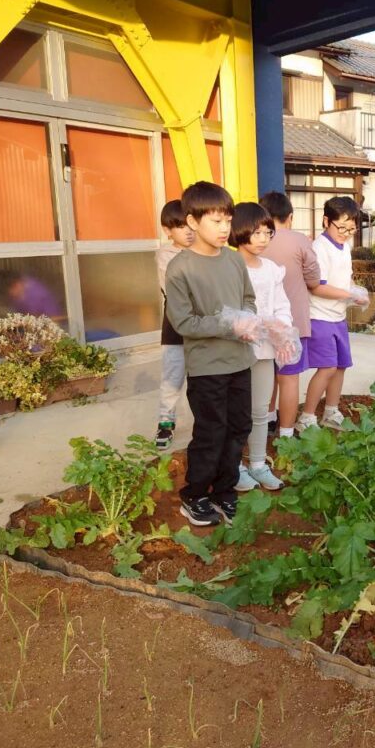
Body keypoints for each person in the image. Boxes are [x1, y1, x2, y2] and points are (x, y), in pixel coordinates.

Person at [165, 181, 257, 528]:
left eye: (228, 221)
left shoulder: (233, 260)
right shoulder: (180, 268)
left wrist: (248, 319)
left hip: (240, 360)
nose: (224, 228)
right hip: (207, 367)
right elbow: (184, 322)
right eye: (216, 221)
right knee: (211, 431)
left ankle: (224, 491)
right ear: (192, 221)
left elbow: (248, 299)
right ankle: (194, 495)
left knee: (239, 427)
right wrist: (229, 324)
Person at [230, 202, 292, 491]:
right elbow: (227, 312)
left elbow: (282, 305)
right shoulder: (228, 266)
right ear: (239, 231)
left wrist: (283, 330)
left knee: (259, 411)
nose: (264, 239)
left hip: (264, 351)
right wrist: (255, 326)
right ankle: (234, 467)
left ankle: (257, 463)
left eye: (268, 232)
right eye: (257, 233)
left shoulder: (271, 269)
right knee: (235, 412)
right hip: (234, 351)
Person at [296, 196, 367, 432]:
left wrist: (355, 291)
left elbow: (346, 278)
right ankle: (306, 417)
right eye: (341, 227)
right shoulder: (319, 248)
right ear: (326, 221)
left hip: (338, 316)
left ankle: (330, 411)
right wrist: (348, 294)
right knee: (327, 367)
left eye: (351, 229)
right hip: (320, 317)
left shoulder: (344, 247)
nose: (346, 233)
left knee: (340, 365)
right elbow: (317, 286)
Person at [259, 191, 321, 439]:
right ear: (290, 216)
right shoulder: (300, 240)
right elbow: (314, 279)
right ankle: (286, 433)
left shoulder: (253, 240)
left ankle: (267, 421)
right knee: (289, 378)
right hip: (292, 322)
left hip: (261, 324)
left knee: (266, 376)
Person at [154, 199, 194, 449]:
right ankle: (165, 422)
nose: (188, 231)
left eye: (190, 224)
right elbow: (176, 289)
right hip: (175, 325)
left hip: (203, 324)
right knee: (172, 377)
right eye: (180, 226)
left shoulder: (206, 251)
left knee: (201, 380)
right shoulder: (165, 255)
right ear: (167, 230)